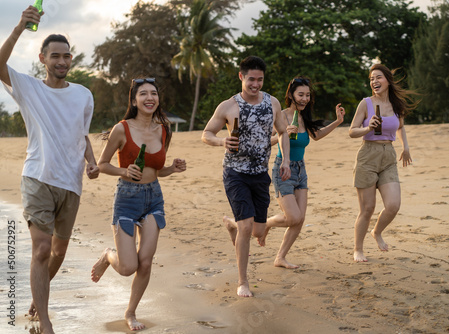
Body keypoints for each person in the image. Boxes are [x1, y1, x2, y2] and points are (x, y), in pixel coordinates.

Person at [0, 7, 99, 334]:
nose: (61, 61)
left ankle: (37, 299)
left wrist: (91, 160)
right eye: (55, 55)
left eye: (66, 56)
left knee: (58, 252)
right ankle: (45, 320)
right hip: (38, 178)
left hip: (70, 184)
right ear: (43, 58)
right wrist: (18, 27)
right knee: (42, 249)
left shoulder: (84, 95)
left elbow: (81, 135)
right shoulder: (28, 88)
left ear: (71, 60)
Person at [90, 77, 186, 331]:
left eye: (153, 93)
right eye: (143, 94)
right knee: (127, 267)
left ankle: (130, 313)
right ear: (134, 100)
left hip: (154, 198)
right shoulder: (121, 128)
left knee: (145, 261)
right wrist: (123, 172)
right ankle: (107, 256)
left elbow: (157, 170)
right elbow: (102, 164)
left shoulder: (163, 129)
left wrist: (172, 169)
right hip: (127, 199)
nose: (149, 98)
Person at [202, 56, 291, 297]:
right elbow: (207, 133)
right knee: (246, 227)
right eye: (251, 79)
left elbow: (283, 132)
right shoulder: (228, 106)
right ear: (241, 77)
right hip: (235, 173)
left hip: (260, 173)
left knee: (258, 232)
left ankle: (231, 224)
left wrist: (285, 160)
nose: (255, 84)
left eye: (260, 80)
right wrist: (222, 140)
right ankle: (243, 282)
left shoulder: (272, 103)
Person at [259, 76, 345, 269]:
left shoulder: (304, 117)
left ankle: (280, 257)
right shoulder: (280, 115)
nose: (305, 99)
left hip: (301, 170)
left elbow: (317, 135)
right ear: (291, 95)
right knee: (292, 218)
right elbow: (266, 141)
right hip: (283, 167)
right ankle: (266, 224)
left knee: (300, 220)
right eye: (301, 94)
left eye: (307, 95)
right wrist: (284, 133)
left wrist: (338, 122)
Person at [349, 64, 418, 262]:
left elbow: (401, 126)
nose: (374, 82)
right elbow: (352, 131)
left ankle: (377, 232)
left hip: (388, 156)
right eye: (371, 79)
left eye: (378, 77)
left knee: (393, 205)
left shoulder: (397, 105)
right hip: (367, 156)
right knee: (367, 209)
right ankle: (358, 249)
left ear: (387, 80)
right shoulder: (366, 103)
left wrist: (405, 147)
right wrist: (367, 128)